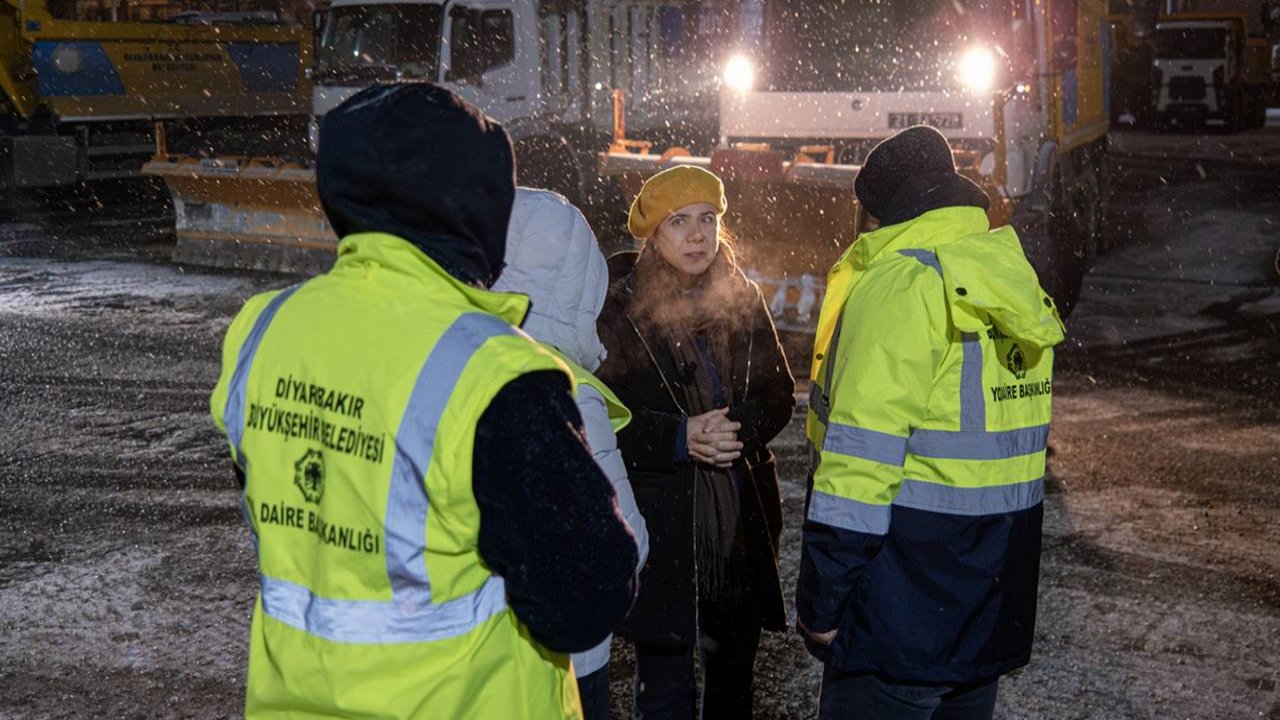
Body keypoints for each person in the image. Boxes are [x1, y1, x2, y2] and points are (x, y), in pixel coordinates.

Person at [208, 84, 638, 720]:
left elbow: (284, 508)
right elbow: (587, 599)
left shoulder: (263, 328)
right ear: (480, 208)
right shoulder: (497, 370)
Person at [796, 125, 1065, 719]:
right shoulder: (1005, 275)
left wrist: (822, 602)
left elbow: (859, 467)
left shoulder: (902, 284)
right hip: (984, 612)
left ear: (880, 210)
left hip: (899, 613)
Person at [597, 165, 796, 718]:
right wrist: (680, 436)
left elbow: (778, 393)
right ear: (653, 235)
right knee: (663, 693)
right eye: (678, 222)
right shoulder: (621, 309)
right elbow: (605, 417)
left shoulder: (744, 298)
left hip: (738, 527)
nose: (697, 235)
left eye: (708, 219)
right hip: (663, 524)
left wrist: (737, 430)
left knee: (734, 687)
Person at [493, 187, 650, 720]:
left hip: (474, 667)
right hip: (566, 669)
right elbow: (622, 546)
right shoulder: (569, 391)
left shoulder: (459, 367)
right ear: (582, 288)